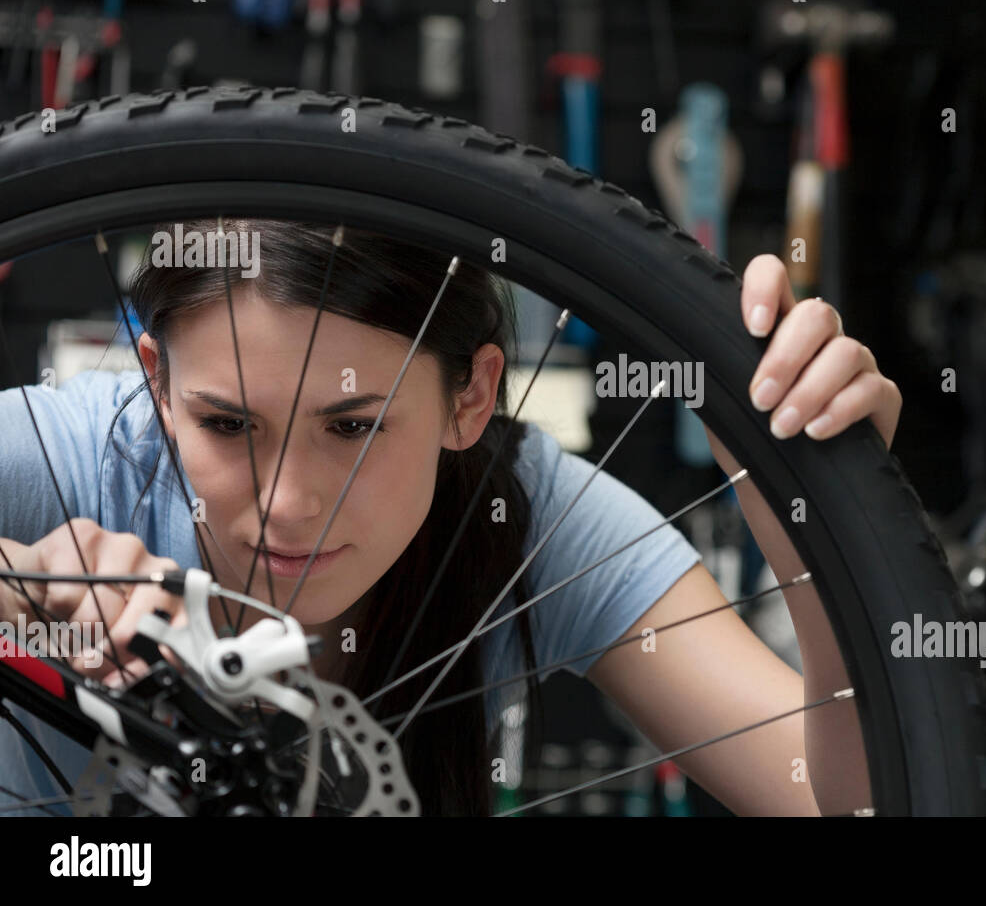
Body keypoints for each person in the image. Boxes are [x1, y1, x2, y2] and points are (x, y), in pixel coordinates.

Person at [0, 218, 900, 816]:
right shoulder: (67, 459)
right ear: (155, 382)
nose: (288, 503)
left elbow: (838, 806)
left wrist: (815, 533)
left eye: (353, 428)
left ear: (471, 398)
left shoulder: (534, 515)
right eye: (228, 424)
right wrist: (14, 587)